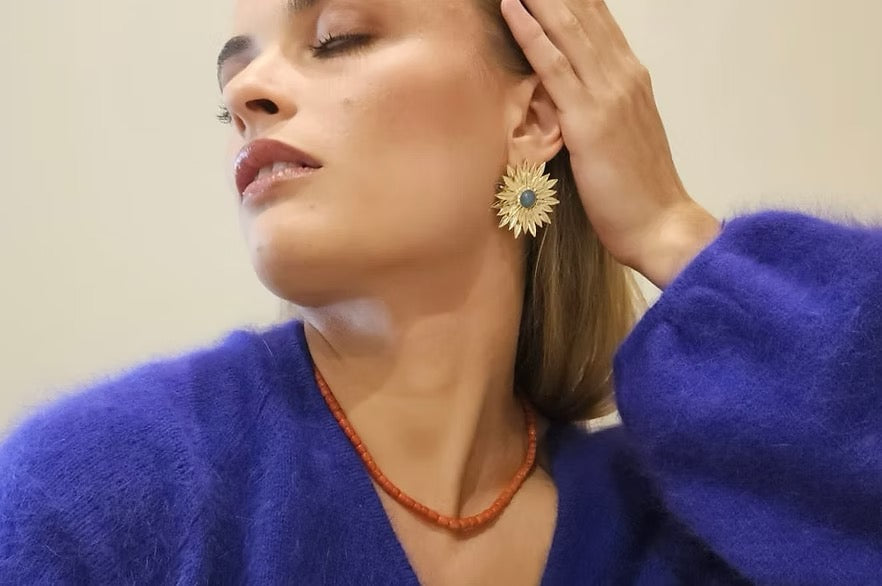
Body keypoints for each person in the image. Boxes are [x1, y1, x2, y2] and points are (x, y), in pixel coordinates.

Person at [1, 0, 879, 584]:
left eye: (338, 37)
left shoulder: (690, 532)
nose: (246, 93)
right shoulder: (96, 494)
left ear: (534, 118)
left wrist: (669, 228)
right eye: (231, 80)